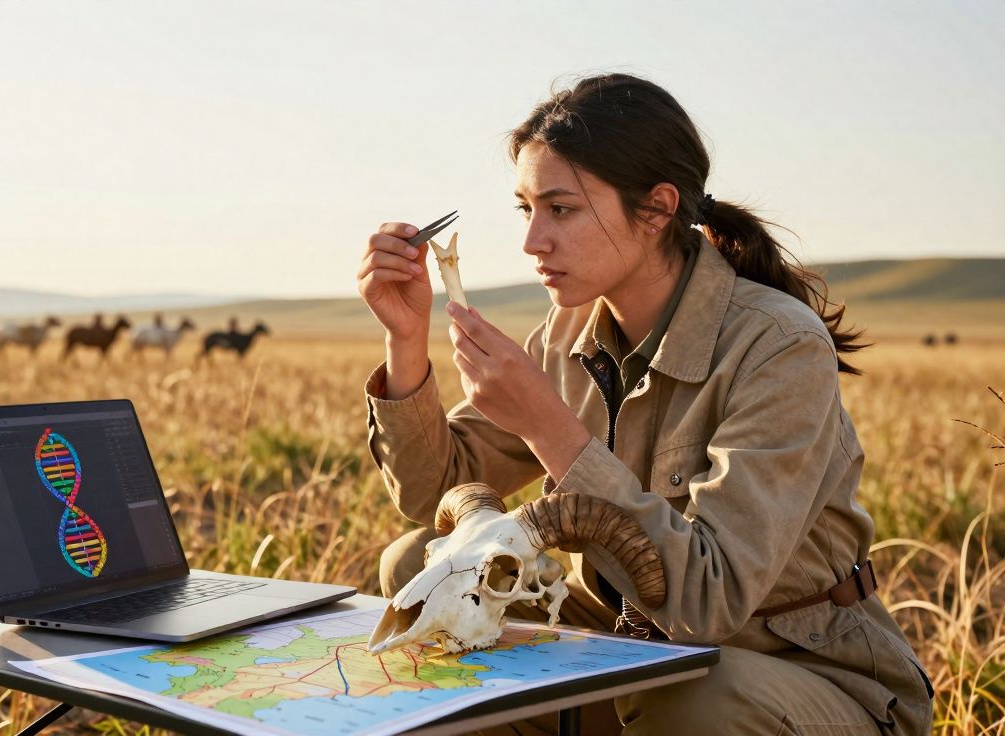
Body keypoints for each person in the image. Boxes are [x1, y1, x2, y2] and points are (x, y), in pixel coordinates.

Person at [358, 74, 932, 735]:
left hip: (788, 662)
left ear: (656, 210)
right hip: (625, 636)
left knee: (695, 700)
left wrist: (548, 423)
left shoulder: (778, 345)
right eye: (526, 209)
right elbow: (434, 490)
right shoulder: (563, 332)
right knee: (418, 566)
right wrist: (405, 341)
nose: (532, 241)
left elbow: (712, 602)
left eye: (562, 210)